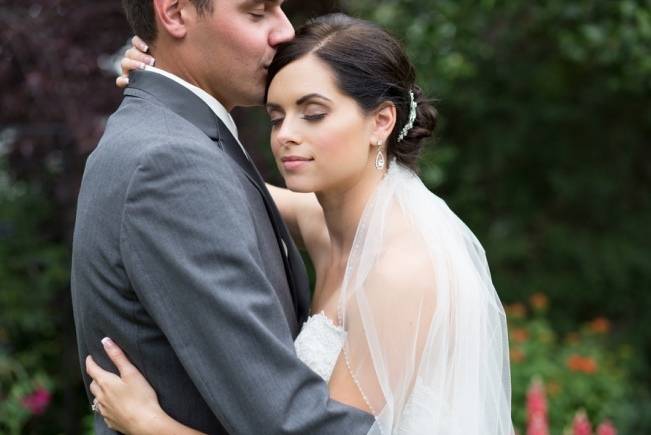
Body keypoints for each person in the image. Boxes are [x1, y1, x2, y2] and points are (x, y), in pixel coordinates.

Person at [86, 13, 515, 435]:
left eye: (313, 114)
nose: (286, 134)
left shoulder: (399, 271)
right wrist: (159, 76)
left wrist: (153, 427)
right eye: (276, 116)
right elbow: (199, 190)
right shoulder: (324, 224)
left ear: (381, 122)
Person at [71, 1, 376, 434]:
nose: (284, 32)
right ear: (174, 14)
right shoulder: (173, 163)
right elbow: (288, 423)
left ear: (383, 121)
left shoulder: (172, 143)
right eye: (257, 13)